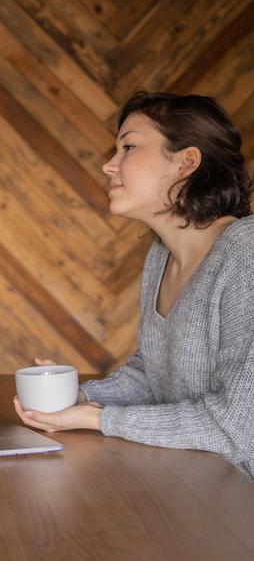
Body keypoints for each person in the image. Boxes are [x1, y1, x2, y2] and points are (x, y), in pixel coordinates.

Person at [13, 90, 254, 479]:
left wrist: (101, 418)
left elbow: (239, 428)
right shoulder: (162, 255)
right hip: (194, 483)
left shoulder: (247, 255)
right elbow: (152, 376)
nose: (110, 166)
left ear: (186, 163)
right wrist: (78, 397)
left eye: (128, 147)